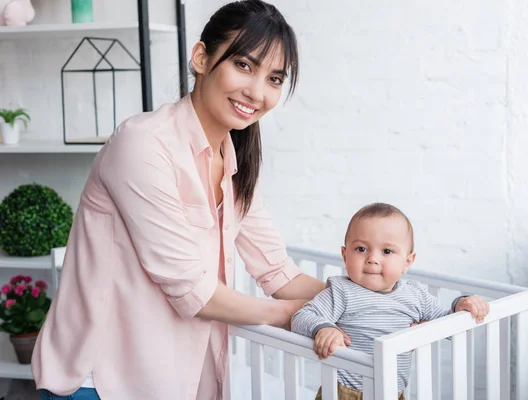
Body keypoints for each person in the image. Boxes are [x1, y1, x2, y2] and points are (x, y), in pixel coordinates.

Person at [32, 1, 328, 399]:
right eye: (243, 65)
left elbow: (279, 272)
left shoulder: (235, 162)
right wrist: (295, 316)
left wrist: (372, 300)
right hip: (101, 379)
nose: (256, 92)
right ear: (202, 57)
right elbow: (192, 288)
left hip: (175, 380)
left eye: (274, 78)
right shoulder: (143, 144)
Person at [291, 203, 490, 400]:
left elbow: (446, 321)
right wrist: (324, 328)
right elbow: (302, 317)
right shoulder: (342, 291)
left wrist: (461, 305)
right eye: (361, 249)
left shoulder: (415, 294)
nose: (372, 259)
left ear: (407, 262)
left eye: (386, 251)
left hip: (392, 393)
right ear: (345, 255)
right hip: (344, 392)